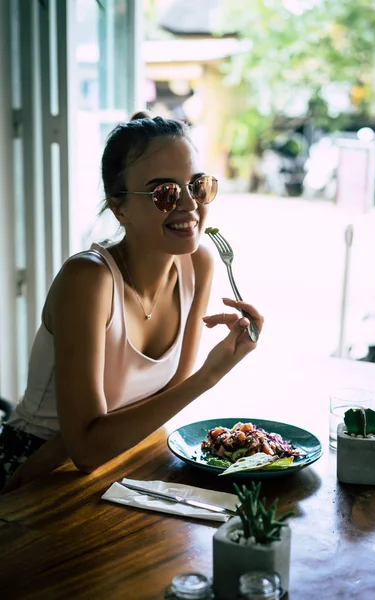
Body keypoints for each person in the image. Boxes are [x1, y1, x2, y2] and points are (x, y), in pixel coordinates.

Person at [0, 111, 263, 493]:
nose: (190, 205)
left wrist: (84, 440)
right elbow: (86, 450)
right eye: (165, 193)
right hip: (30, 471)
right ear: (119, 207)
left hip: (118, 456)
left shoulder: (199, 261)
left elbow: (170, 388)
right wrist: (211, 375)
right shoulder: (88, 280)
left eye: (197, 186)